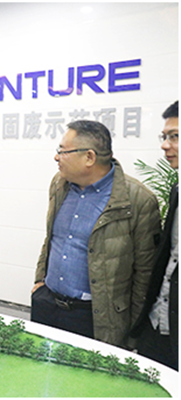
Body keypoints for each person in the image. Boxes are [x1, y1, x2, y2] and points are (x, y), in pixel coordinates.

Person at [31, 120, 161, 348]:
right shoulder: (60, 184)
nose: (56, 157)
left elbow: (145, 273)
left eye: (63, 151)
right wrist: (40, 281)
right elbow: (51, 237)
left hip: (94, 317)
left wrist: (133, 331)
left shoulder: (138, 200)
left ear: (89, 157)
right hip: (48, 304)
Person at [129, 101, 178, 370]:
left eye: (175, 136)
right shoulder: (177, 191)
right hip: (160, 324)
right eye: (164, 136)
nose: (165, 145)